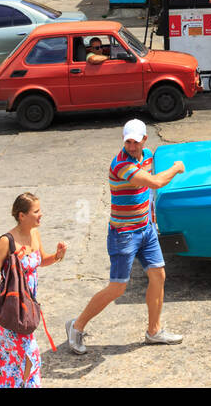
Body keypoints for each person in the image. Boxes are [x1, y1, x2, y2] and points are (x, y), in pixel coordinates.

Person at [67, 119, 188, 353]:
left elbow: (151, 187)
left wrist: (152, 218)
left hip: (146, 229)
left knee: (158, 275)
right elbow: (155, 181)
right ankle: (76, 325)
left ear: (144, 139)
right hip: (124, 234)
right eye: (128, 141)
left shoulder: (148, 155)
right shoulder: (120, 164)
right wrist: (176, 168)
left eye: (135, 141)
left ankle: (154, 331)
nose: (131, 146)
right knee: (117, 288)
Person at [0, 193, 66, 388]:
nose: (41, 214)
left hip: (27, 308)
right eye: (36, 211)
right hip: (11, 307)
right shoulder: (5, 242)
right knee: (30, 355)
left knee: (5, 360)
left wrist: (57, 256)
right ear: (21, 215)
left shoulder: (34, 234)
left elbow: (41, 261)